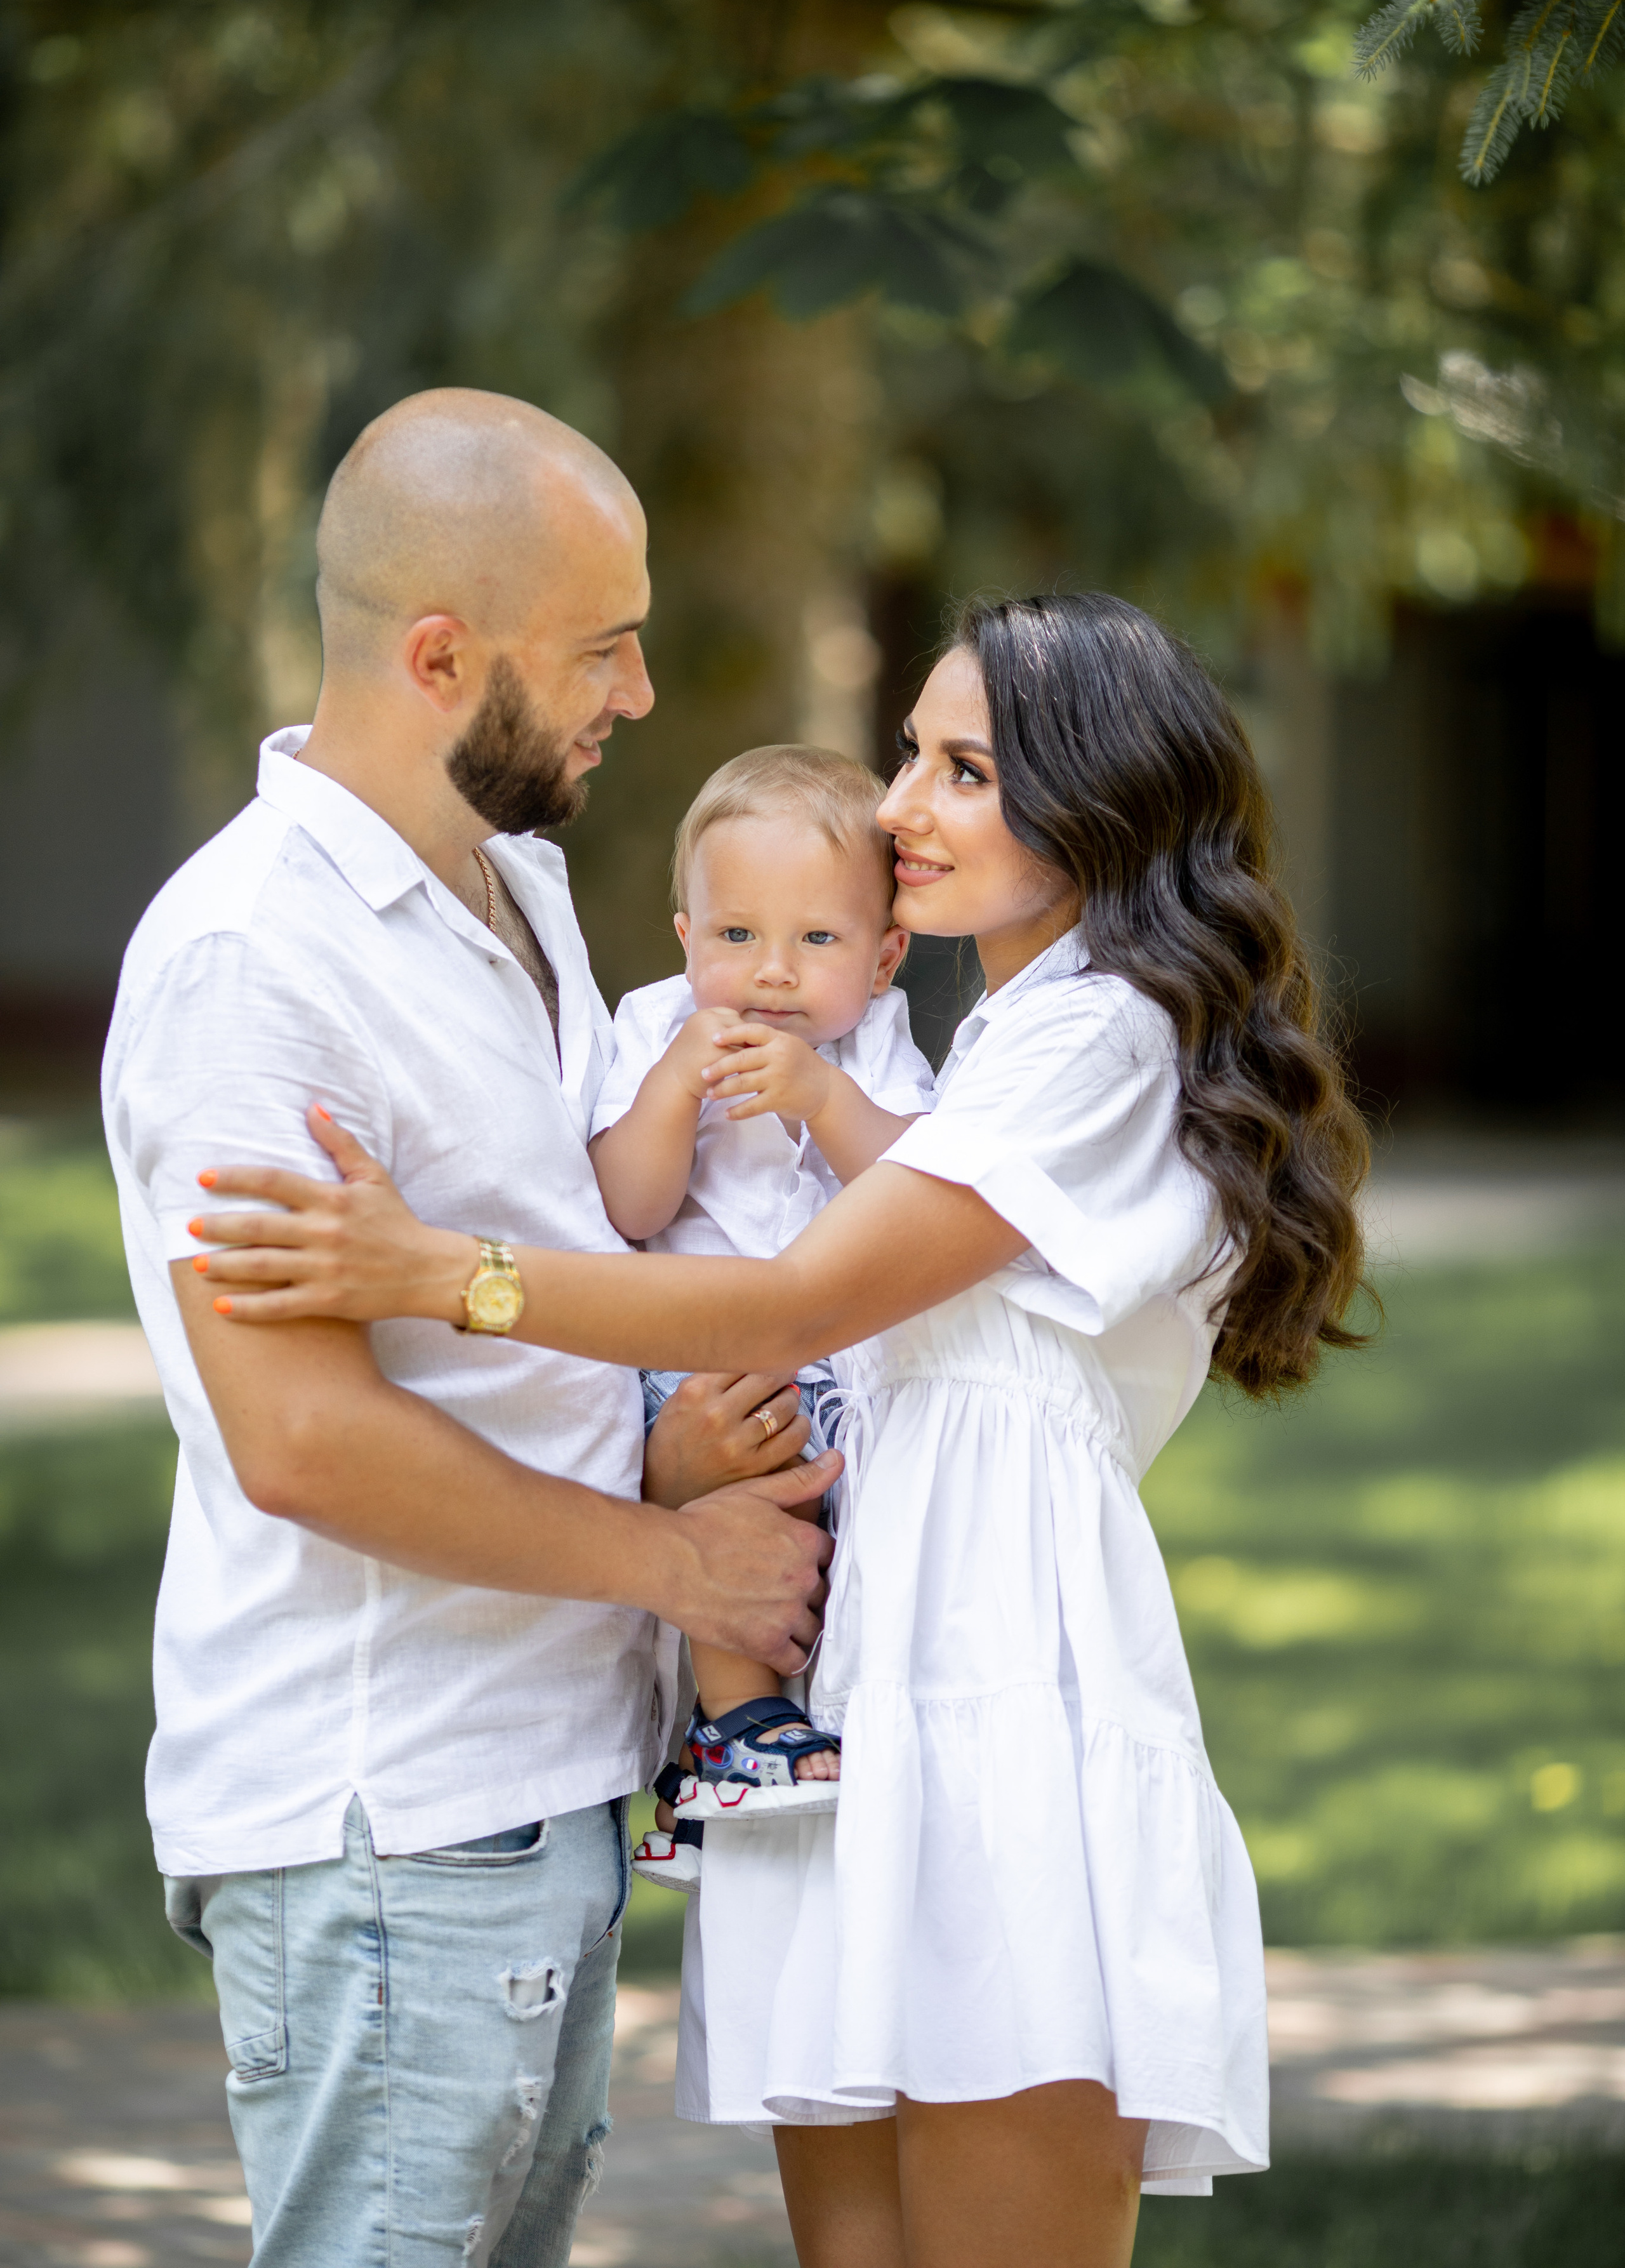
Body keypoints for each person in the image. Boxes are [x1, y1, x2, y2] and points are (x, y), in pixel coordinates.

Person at [190, 592, 1371, 2268]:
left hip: (995, 1707)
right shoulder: (984, 1049)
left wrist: (443, 1273)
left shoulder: (1104, 1035)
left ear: (1098, 803)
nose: (900, 810)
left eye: (966, 770)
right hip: (843, 1721)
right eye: (912, 757)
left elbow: (797, 1304)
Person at [101, 387, 838, 2268]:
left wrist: (658, 1448)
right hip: (391, 1831)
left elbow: (527, 1282)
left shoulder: (509, 879)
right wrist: (680, 1559)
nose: (646, 692)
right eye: (604, 647)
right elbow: (305, 1439)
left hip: (533, 1796)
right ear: (442, 655)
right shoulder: (250, 963)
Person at [587, 746, 937, 1885]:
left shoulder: (878, 1049)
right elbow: (626, 1205)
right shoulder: (653, 1032)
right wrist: (674, 1092)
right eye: (737, 937)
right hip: (702, 1365)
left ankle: (755, 1751)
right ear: (685, 935)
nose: (773, 975)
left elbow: (918, 1191)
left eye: (818, 940)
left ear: (886, 956)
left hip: (850, 1368)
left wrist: (826, 1097)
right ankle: (733, 1732)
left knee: (847, 1549)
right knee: (745, 1505)